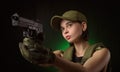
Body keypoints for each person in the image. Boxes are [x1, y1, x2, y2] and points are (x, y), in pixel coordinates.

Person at [19, 10, 111, 72]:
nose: (65, 31)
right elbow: (42, 61)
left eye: (69, 25)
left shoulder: (102, 52)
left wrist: (52, 59)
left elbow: (85, 70)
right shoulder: (62, 54)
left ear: (83, 26)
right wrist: (32, 44)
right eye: (62, 29)